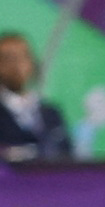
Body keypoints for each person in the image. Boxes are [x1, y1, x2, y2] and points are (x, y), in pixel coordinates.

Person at [0, 31, 74, 161]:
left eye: (24, 56)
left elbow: (70, 160)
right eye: (9, 58)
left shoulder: (51, 113)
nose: (17, 65)